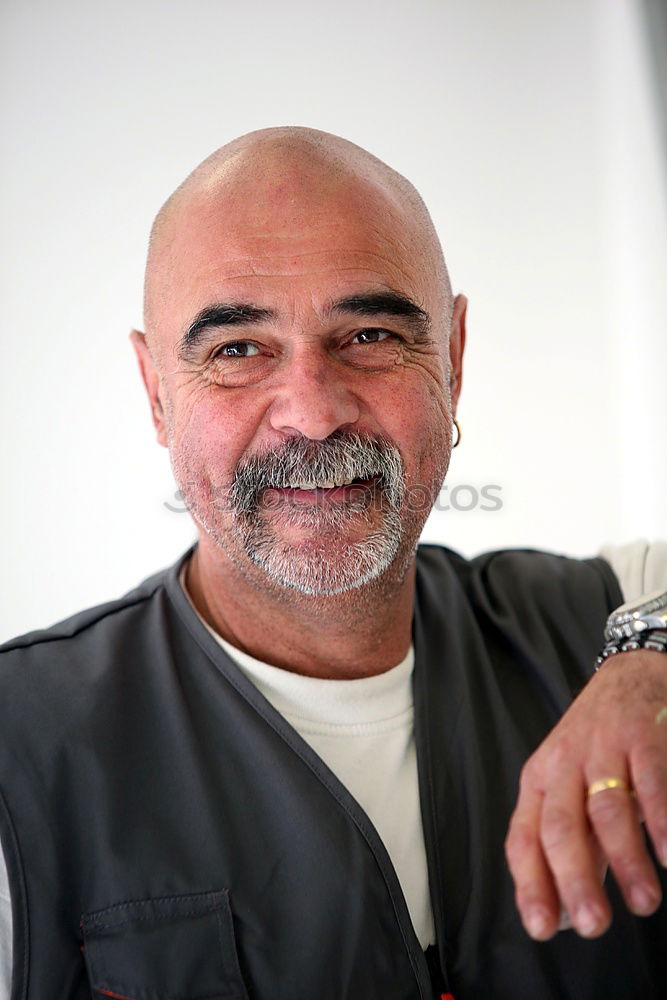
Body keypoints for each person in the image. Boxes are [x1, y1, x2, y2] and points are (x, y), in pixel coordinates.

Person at [0, 127, 666, 999]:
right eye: (237, 349)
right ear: (156, 392)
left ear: (453, 361)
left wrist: (648, 656)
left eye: (370, 334)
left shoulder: (606, 614)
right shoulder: (21, 750)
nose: (312, 413)